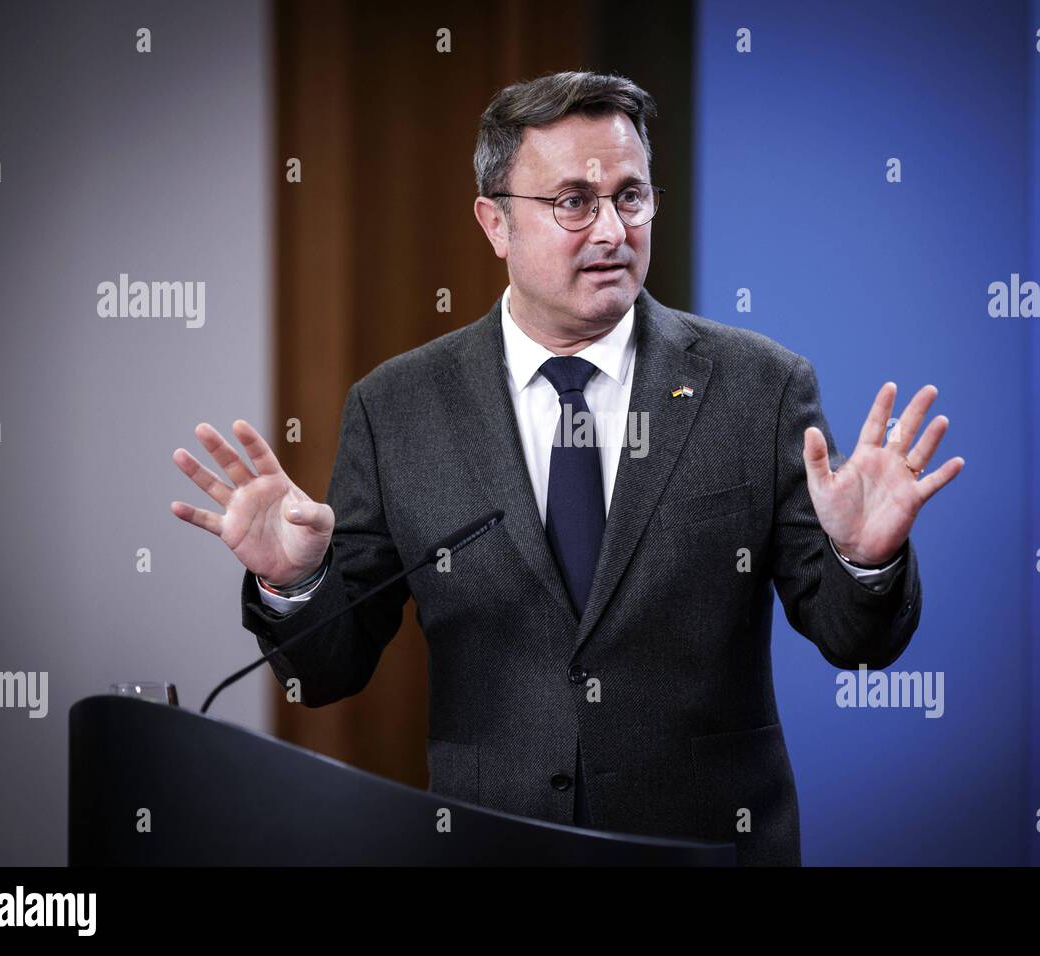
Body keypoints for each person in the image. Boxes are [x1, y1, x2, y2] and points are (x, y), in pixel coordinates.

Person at [169, 71, 963, 866]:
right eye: (575, 202)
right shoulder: (400, 407)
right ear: (495, 223)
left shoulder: (759, 387)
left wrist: (863, 560)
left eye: (631, 196)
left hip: (708, 848)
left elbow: (855, 645)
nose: (613, 231)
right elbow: (327, 672)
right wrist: (295, 585)